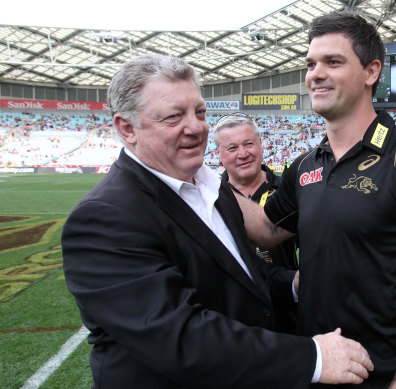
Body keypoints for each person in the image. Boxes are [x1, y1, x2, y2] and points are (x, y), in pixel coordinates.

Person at [61, 54, 373, 388]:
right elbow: (180, 337)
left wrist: (294, 284)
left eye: (199, 112)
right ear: (127, 128)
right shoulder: (103, 218)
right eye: (173, 117)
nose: (195, 127)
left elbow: (241, 274)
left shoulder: (211, 187)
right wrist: (313, 357)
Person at [235, 12, 396, 388]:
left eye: (333, 62)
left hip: (383, 375)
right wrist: (199, 180)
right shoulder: (305, 166)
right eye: (311, 64)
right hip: (313, 366)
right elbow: (263, 228)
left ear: (371, 72)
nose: (315, 74)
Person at [214, 112, 299, 333]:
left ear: (261, 145)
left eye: (249, 144)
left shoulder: (289, 193)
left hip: (288, 313)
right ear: (219, 155)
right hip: (232, 319)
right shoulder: (209, 200)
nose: (243, 154)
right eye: (232, 148)